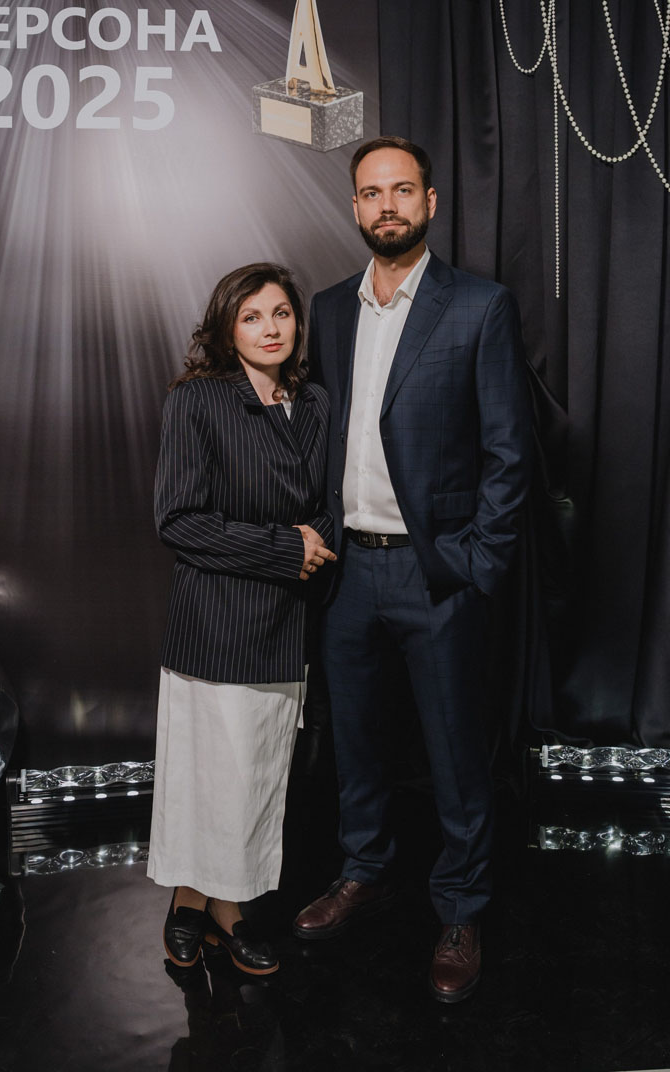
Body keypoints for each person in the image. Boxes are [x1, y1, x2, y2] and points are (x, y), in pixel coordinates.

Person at [293, 137, 532, 1003]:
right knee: (354, 740)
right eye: (370, 192)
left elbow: (509, 452)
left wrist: (475, 564)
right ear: (355, 207)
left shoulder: (479, 306)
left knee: (455, 749)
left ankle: (461, 907)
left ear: (430, 202)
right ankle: (363, 870)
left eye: (401, 190)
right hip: (347, 570)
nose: (386, 205)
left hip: (437, 574)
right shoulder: (329, 308)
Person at [148, 261, 336, 976]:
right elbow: (179, 520)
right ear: (229, 329)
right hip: (214, 621)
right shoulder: (198, 400)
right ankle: (202, 905)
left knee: (255, 778)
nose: (269, 328)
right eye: (252, 316)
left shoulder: (314, 404)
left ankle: (217, 903)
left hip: (285, 624)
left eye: (281, 313)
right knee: (205, 775)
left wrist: (317, 539)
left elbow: (329, 503)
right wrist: (287, 548)